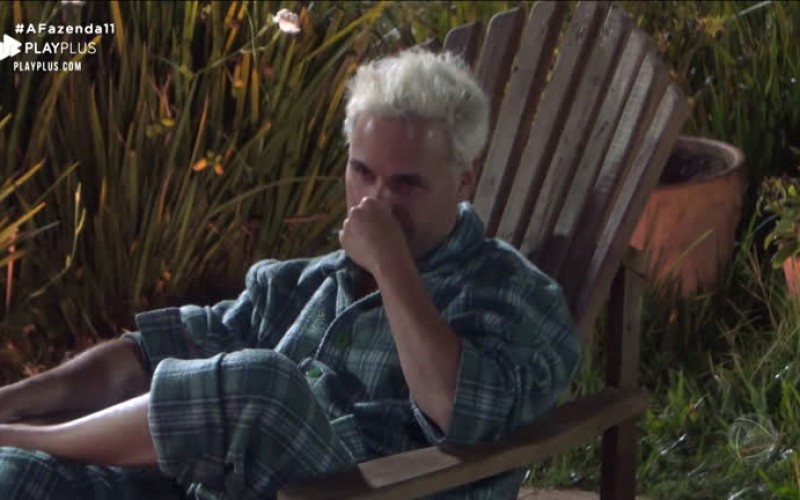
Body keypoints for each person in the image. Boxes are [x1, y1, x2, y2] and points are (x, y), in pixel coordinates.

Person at [0, 48, 581, 499]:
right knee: (16, 476)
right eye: (362, 173)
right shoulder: (299, 285)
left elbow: (459, 410)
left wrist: (390, 265)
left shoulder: (514, 294)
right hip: (211, 486)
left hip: (374, 491)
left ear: (464, 181)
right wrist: (14, 398)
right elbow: (152, 352)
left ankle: (24, 436)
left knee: (267, 388)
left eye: (405, 183)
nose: (375, 202)